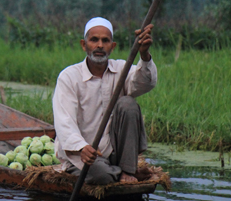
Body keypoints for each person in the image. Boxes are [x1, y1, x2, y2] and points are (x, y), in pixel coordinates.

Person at [52, 17, 157, 185]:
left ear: (112, 47)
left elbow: (146, 82)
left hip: (114, 153)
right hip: (84, 156)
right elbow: (64, 121)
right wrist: (81, 147)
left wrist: (144, 55)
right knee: (102, 176)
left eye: (105, 41)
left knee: (128, 104)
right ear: (84, 45)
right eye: (94, 40)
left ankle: (127, 170)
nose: (100, 45)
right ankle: (120, 173)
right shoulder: (69, 77)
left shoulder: (122, 69)